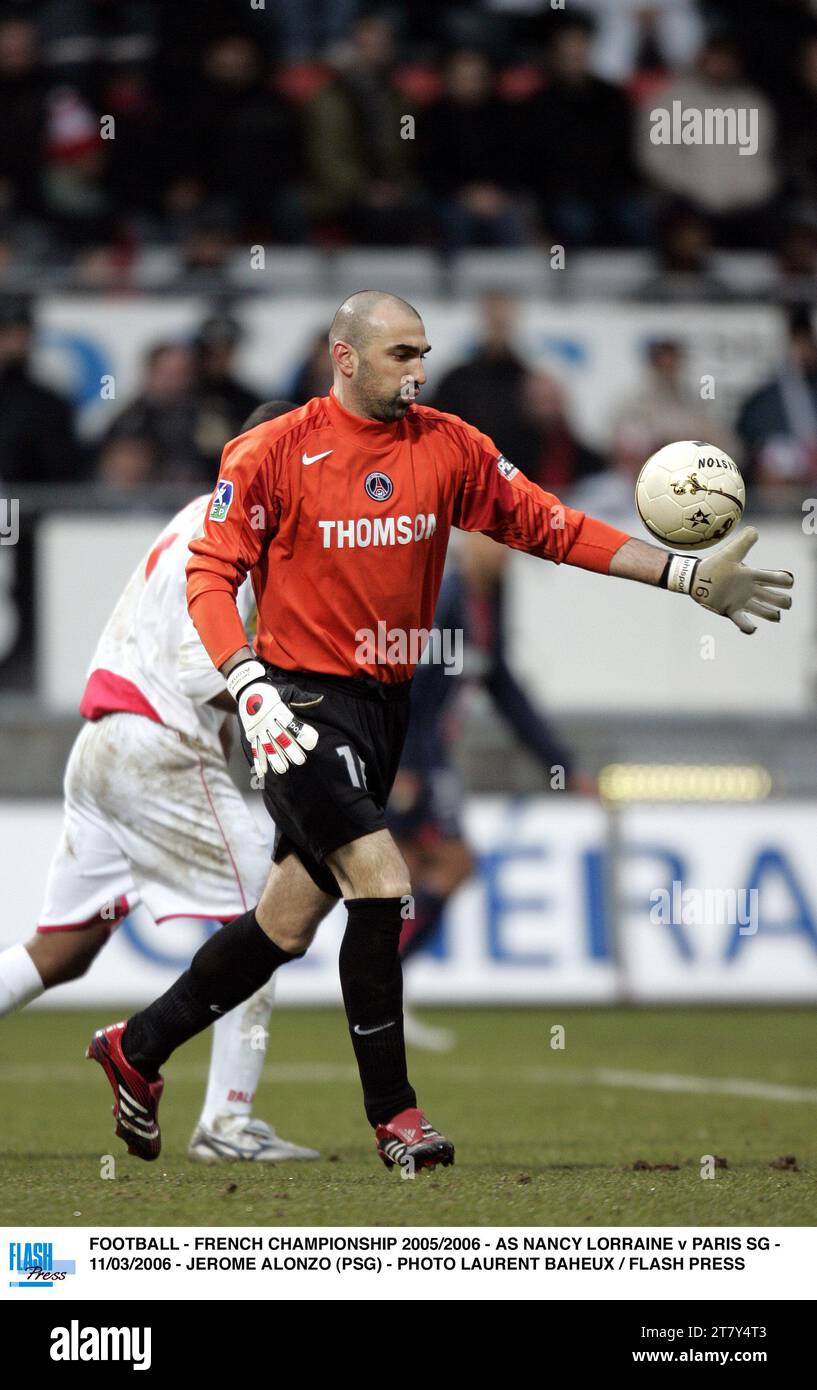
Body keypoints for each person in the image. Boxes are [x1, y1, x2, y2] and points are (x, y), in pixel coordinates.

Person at [87, 291, 793, 1177]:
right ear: (344, 358)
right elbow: (209, 578)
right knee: (381, 881)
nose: (417, 370)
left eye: (422, 353)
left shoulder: (448, 445)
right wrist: (249, 683)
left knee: (284, 924)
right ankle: (398, 1120)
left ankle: (138, 1047)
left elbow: (554, 527)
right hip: (298, 705)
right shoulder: (272, 449)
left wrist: (683, 575)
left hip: (387, 706)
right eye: (399, 355)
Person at [0, 402, 319, 1164]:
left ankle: (225, 1122)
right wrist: (279, 696)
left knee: (64, 948)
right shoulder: (239, 535)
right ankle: (227, 1126)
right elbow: (196, 667)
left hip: (104, 743)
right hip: (161, 748)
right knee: (266, 923)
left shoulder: (191, 519)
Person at [390, 531, 582, 1053]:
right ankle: (382, 988)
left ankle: (383, 996)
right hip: (414, 758)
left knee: (405, 882)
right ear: (467, 542)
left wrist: (560, 764)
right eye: (494, 542)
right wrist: (406, 765)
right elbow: (407, 684)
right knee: (453, 864)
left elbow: (504, 689)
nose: (503, 553)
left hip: (429, 758)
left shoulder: (486, 603)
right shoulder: (444, 598)